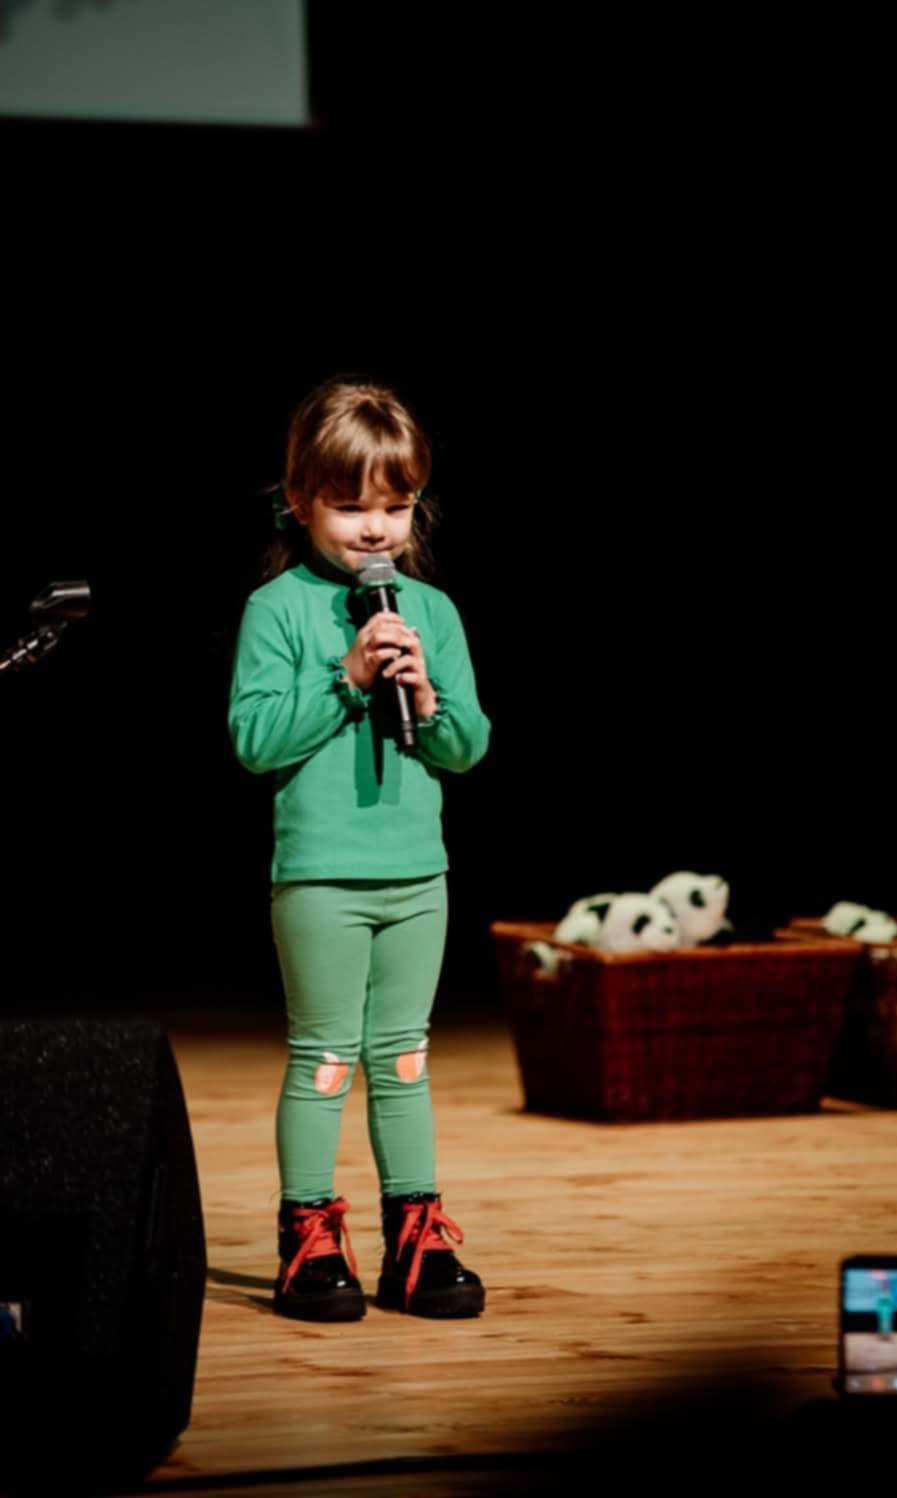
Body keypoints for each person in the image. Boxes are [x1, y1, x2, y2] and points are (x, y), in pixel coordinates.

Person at [228, 375, 491, 1323]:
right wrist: (345, 678)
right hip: (321, 879)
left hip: (419, 876)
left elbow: (467, 746)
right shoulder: (278, 609)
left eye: (396, 505)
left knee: (405, 1057)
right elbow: (255, 740)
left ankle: (415, 1244)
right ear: (300, 501)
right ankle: (308, 1241)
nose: (376, 528)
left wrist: (425, 696)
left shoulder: (433, 611)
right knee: (326, 1058)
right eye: (350, 506)